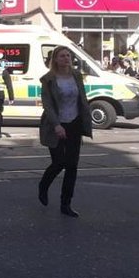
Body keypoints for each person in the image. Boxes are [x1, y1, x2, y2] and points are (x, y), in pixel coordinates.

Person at [38, 45, 92, 218]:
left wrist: (86, 118)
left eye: (68, 55)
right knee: (59, 162)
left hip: (74, 123)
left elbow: (82, 98)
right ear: (55, 59)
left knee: (72, 166)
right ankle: (44, 185)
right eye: (62, 56)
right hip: (56, 125)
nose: (66, 58)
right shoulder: (48, 79)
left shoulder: (76, 75)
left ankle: (66, 203)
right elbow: (48, 105)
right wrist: (56, 125)